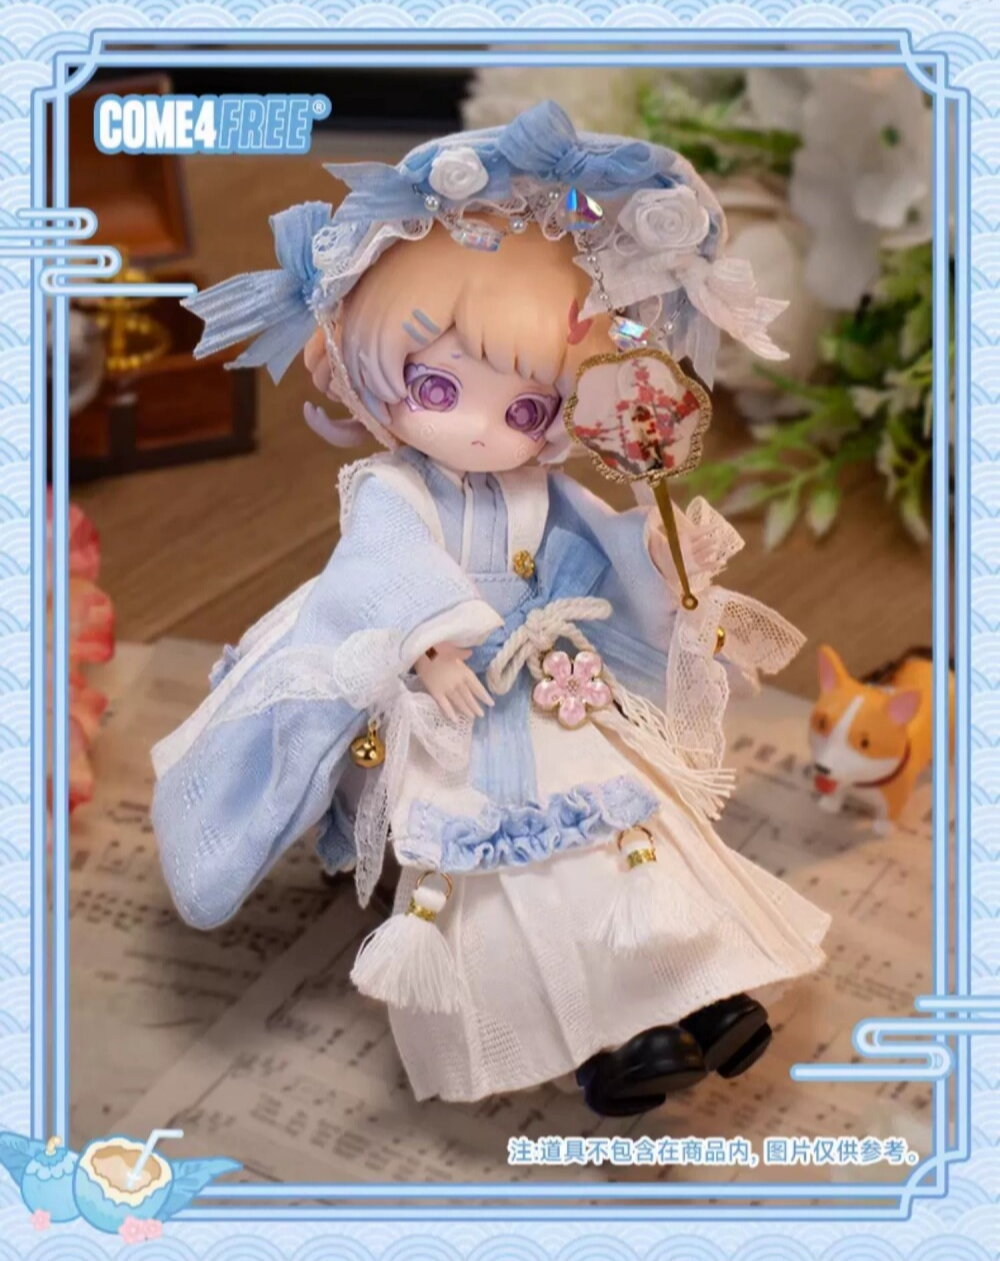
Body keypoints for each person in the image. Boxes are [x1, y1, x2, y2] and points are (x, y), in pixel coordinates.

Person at [151, 101, 830, 1116]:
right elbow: (381, 572)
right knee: (513, 883)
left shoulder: (542, 490)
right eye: (438, 387)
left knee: (630, 833)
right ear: (374, 373)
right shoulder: (391, 489)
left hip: (553, 691)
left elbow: (599, 561)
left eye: (523, 408)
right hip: (454, 709)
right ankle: (602, 1041)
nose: (479, 428)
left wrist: (656, 558)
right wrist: (431, 649)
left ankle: (706, 988)